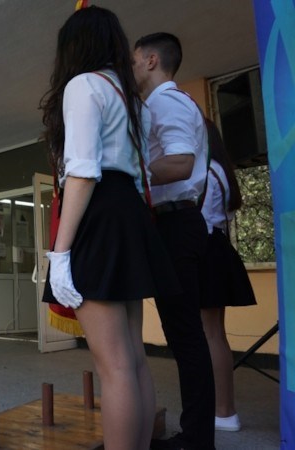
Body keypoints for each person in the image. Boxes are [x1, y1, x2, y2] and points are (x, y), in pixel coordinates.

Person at [39, 7, 179, 449]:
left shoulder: (83, 85)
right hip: (128, 212)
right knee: (133, 360)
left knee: (113, 366)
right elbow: (139, 174)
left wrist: (60, 254)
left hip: (98, 212)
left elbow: (82, 173)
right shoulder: (133, 99)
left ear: (73, 47)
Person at [133, 32, 217, 449]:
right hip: (173, 223)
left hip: (176, 224)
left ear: (151, 60)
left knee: (186, 337)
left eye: (134, 61)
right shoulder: (161, 103)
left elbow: (181, 162)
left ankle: (197, 440)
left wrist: (129, 169)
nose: (131, 68)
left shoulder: (166, 101)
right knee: (184, 334)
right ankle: (196, 435)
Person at [200, 120, 257, 432]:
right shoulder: (223, 172)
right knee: (215, 334)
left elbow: (197, 218)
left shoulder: (205, 172)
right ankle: (223, 409)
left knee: (209, 334)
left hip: (206, 250)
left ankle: (223, 411)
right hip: (219, 248)